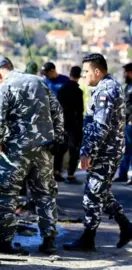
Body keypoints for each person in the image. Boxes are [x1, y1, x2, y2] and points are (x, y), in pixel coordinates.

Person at [0, 56, 64, 255]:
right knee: (45, 195)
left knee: (6, 195)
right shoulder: (38, 81)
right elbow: (57, 111)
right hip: (44, 150)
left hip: (15, 151)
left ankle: (4, 242)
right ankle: (49, 241)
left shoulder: (4, 87)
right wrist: (58, 138)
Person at [63, 53, 132, 251]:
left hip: (104, 152)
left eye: (86, 71)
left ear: (96, 71)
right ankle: (125, 225)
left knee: (92, 194)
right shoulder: (110, 87)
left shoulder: (105, 92)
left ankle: (88, 238)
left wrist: (87, 153)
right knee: (100, 191)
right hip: (107, 151)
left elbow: (100, 127)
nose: (84, 76)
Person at [41, 62, 70, 182]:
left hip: (62, 118)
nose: (46, 75)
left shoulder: (65, 80)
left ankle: (57, 171)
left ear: (53, 70)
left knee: (60, 146)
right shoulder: (44, 82)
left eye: (47, 73)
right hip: (47, 118)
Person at [56, 66, 84, 184]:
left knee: (60, 150)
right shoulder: (77, 91)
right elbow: (80, 110)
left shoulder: (62, 89)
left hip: (61, 124)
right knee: (74, 150)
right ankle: (71, 175)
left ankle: (56, 172)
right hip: (73, 125)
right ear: (79, 76)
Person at [114, 63, 132, 183]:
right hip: (125, 121)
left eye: (126, 72)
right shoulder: (128, 86)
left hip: (131, 122)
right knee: (125, 149)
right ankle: (122, 175)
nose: (124, 74)